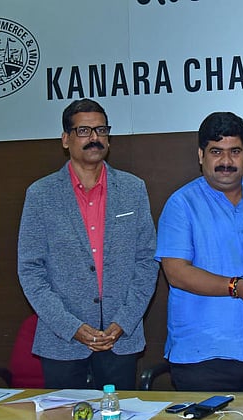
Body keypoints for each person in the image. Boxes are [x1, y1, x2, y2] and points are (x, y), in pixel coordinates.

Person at [17, 98, 158, 390]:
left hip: (120, 338)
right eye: (84, 131)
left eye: (101, 130)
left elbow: (147, 261)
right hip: (62, 340)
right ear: (66, 139)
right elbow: (31, 270)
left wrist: (124, 321)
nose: (94, 138)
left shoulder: (133, 189)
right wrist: (71, 327)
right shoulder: (41, 194)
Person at [155, 111, 243, 391]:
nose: (226, 162)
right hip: (203, 357)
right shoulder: (181, 204)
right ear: (201, 155)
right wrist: (236, 287)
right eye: (216, 152)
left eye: (234, 151)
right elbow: (176, 273)